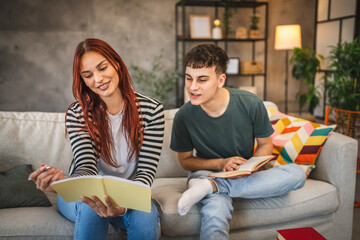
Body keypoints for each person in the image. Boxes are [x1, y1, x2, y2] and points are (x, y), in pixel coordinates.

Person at [29, 38, 164, 240]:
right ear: (82, 80)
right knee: (91, 207)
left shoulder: (152, 110)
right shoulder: (79, 113)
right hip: (84, 193)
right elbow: (86, 167)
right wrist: (63, 182)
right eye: (88, 75)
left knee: (145, 216)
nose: (98, 79)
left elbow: (146, 172)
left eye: (102, 68)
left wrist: (123, 205)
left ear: (116, 63)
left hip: (128, 194)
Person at [170, 44, 306, 240]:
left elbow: (266, 144)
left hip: (245, 173)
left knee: (296, 174)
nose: (192, 87)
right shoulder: (184, 116)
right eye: (189, 78)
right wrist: (221, 164)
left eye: (202, 79)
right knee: (216, 209)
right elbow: (185, 161)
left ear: (221, 80)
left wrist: (248, 168)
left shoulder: (250, 103)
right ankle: (211, 184)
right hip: (206, 172)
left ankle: (211, 186)